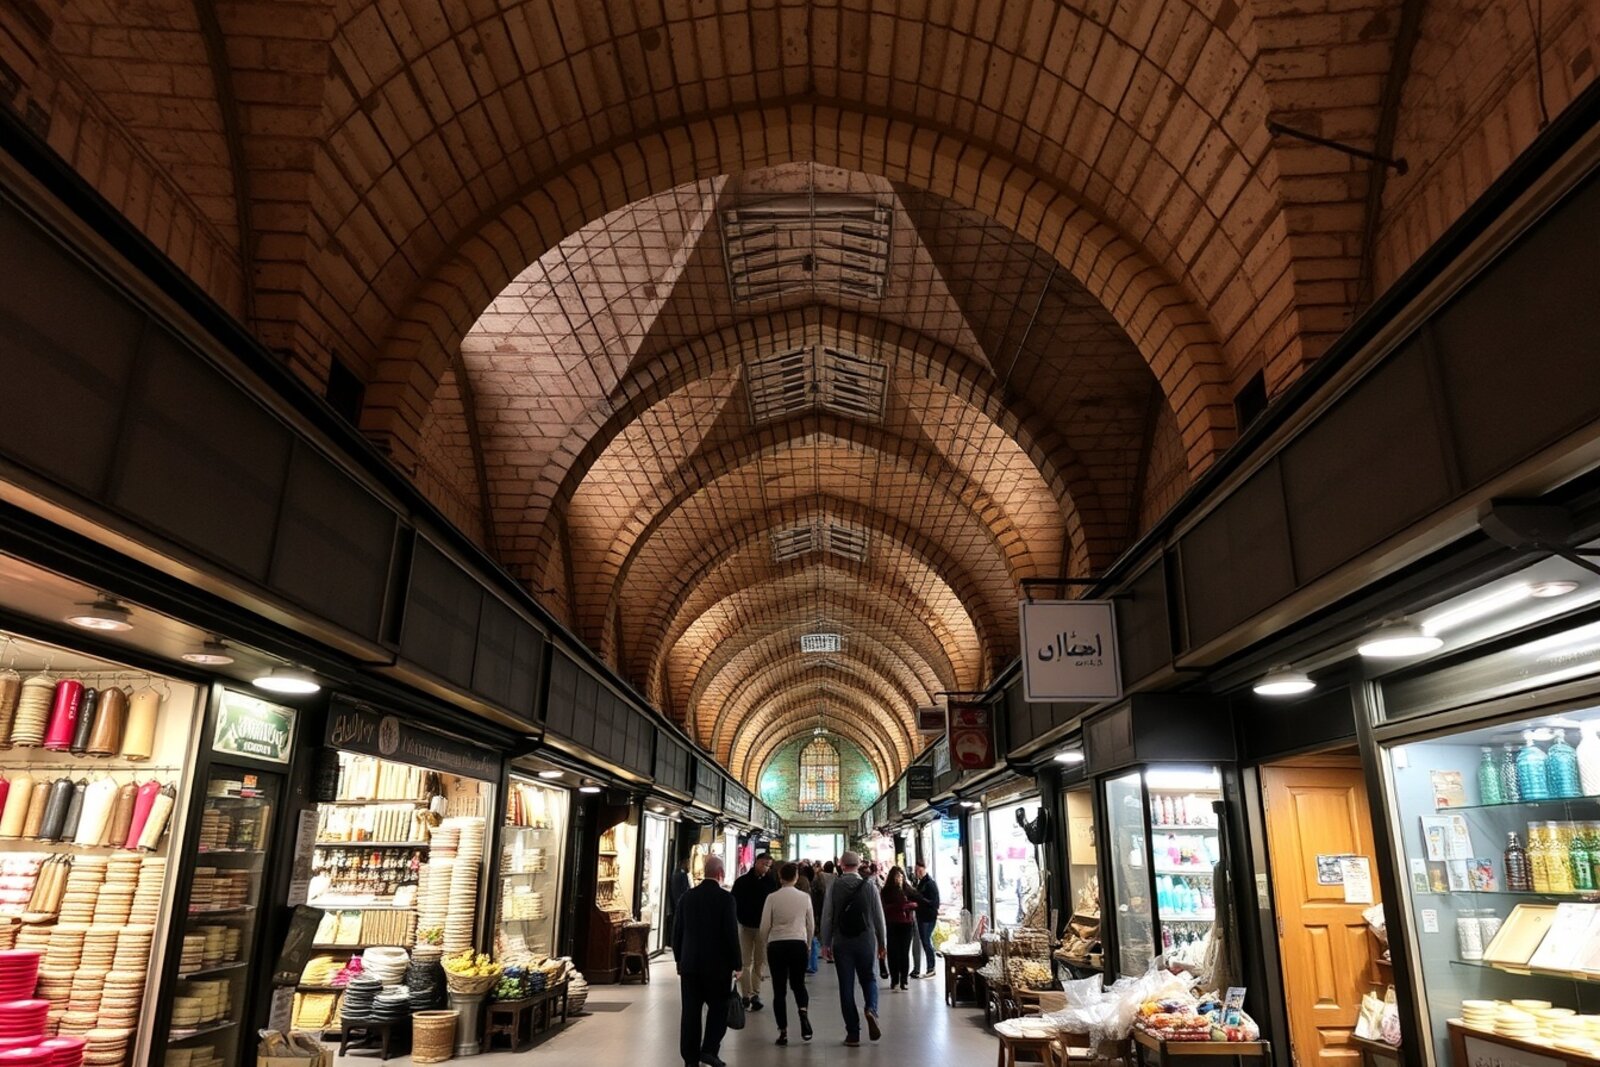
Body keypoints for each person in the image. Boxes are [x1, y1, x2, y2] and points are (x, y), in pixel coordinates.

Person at [673, 855, 741, 1067]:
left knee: (690, 1013)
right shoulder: (726, 899)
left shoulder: (687, 897)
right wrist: (737, 963)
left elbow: (678, 931)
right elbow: (731, 933)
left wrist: (679, 959)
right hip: (718, 967)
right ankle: (710, 1049)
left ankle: (690, 1058)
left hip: (691, 965)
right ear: (720, 874)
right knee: (719, 1008)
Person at [819, 850, 887, 1047]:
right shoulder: (869, 885)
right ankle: (871, 1009)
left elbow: (828, 915)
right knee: (869, 978)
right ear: (858, 865)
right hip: (866, 940)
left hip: (842, 942)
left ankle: (853, 1034)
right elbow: (878, 916)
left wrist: (825, 942)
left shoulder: (834, 885)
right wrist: (883, 943)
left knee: (846, 986)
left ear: (841, 865)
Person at [759, 862, 815, 1046]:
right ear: (796, 877)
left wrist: (765, 942)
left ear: (780, 877)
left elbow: (765, 925)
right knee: (798, 984)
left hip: (777, 945)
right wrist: (807, 943)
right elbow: (811, 924)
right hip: (798, 943)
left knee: (779, 990)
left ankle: (783, 1032)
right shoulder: (804, 897)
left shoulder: (772, 898)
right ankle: (803, 1013)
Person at [731, 851, 778, 1011]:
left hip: (763, 928)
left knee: (759, 962)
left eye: (768, 866)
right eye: (764, 864)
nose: (766, 868)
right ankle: (746, 995)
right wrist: (739, 918)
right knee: (745, 962)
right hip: (745, 926)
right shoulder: (742, 882)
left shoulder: (771, 883)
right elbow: (734, 902)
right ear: (757, 862)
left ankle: (755, 994)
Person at [880, 866, 918, 991]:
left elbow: (917, 902)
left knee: (904, 952)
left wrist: (908, 906)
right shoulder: (886, 891)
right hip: (892, 924)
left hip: (906, 925)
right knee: (893, 952)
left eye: (901, 876)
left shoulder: (908, 890)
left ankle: (904, 980)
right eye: (897, 876)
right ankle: (894, 979)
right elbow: (884, 908)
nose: (899, 879)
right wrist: (899, 906)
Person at [909, 860, 940, 978]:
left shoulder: (930, 883)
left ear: (924, 869)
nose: (917, 872)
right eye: (916, 870)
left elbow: (934, 902)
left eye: (919, 870)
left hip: (928, 916)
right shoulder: (921, 882)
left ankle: (931, 967)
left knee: (926, 941)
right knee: (925, 940)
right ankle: (929, 967)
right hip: (923, 916)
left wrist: (920, 899)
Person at [808, 861, 835, 974]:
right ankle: (830, 950)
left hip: (819, 903)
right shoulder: (835, 878)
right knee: (831, 926)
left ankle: (822, 948)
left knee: (820, 924)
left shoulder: (819, 876)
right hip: (830, 904)